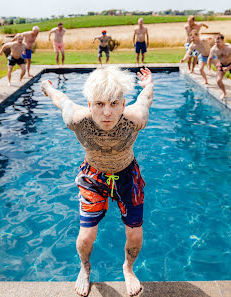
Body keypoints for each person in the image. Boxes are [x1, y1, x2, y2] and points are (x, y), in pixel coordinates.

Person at [41, 66, 154, 297]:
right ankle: (84, 267)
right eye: (100, 104)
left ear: (123, 104)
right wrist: (47, 88)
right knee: (86, 236)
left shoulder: (136, 119)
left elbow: (146, 98)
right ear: (90, 105)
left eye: (114, 103)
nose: (107, 113)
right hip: (93, 176)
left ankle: (128, 268)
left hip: (127, 174)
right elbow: (62, 101)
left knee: (135, 234)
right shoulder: (77, 120)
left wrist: (148, 84)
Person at [209, 34, 231, 100]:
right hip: (222, 64)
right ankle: (224, 93)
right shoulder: (213, 49)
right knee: (218, 80)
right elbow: (210, 58)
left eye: (218, 42)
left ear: (223, 41)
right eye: (215, 42)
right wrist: (210, 68)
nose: (217, 44)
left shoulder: (229, 48)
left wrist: (229, 67)